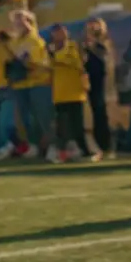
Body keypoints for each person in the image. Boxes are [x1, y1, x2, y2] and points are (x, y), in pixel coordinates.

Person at [4, 9, 53, 161]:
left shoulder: (36, 41)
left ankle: (52, 146)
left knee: (43, 116)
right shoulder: (13, 43)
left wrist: (26, 63)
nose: (18, 24)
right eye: (16, 21)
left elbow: (40, 63)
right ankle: (33, 145)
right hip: (20, 84)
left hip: (38, 82)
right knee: (25, 118)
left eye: (22, 20)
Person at [48, 24, 93, 162]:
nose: (60, 34)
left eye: (62, 31)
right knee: (62, 126)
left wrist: (57, 60)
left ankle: (85, 151)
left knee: (77, 124)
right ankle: (62, 153)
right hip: (59, 93)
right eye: (56, 32)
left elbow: (78, 63)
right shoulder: (49, 49)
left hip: (75, 92)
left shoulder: (74, 47)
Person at [81, 18, 115, 159]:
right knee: (94, 113)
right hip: (89, 81)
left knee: (100, 113)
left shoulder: (103, 44)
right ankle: (98, 147)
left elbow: (104, 59)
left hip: (101, 81)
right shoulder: (85, 45)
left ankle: (106, 147)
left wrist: (92, 46)